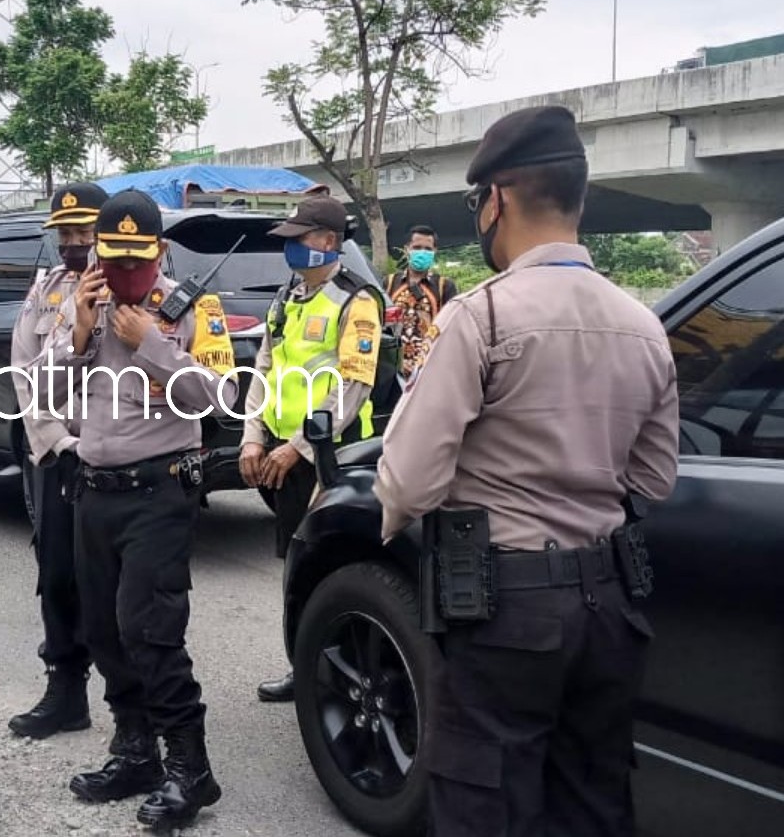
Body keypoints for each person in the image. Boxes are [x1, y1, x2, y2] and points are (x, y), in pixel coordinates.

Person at [374, 105, 680, 836]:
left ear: (498, 198)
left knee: (486, 801)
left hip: (506, 610)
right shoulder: (644, 326)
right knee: (591, 800)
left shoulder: (482, 317)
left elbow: (408, 483)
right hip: (609, 607)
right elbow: (654, 479)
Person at [39, 189, 237, 830]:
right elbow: (38, 393)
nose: (124, 269)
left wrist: (153, 343)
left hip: (159, 491)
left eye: (137, 257)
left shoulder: (190, 308)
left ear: (161, 251)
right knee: (101, 629)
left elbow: (217, 397)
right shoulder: (84, 304)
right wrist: (78, 331)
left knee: (149, 631)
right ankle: (135, 750)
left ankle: (190, 769)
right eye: (112, 255)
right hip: (94, 491)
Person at [240, 195, 384, 704]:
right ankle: (303, 667)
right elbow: (265, 368)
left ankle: (336, 674)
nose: (291, 249)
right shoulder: (290, 295)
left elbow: (354, 384)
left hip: (333, 456)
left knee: (332, 570)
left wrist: (298, 448)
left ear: (327, 241)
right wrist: (253, 436)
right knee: (295, 568)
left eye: (299, 239)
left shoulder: (356, 299)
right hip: (285, 453)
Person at [6, 181, 109, 740]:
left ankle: (132, 716)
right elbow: (23, 368)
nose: (73, 243)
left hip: (108, 456)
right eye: (65, 233)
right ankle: (65, 692)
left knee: (112, 584)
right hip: (56, 456)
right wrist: (52, 440)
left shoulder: (126, 288)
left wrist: (93, 443)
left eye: (84, 232)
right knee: (57, 575)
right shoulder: (45, 288)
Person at [385, 225, 457, 382]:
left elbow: (450, 330)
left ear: (435, 251)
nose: (422, 252)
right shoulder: (390, 283)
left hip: (429, 372)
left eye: (427, 249)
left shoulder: (444, 286)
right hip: (393, 371)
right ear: (406, 249)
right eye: (417, 247)